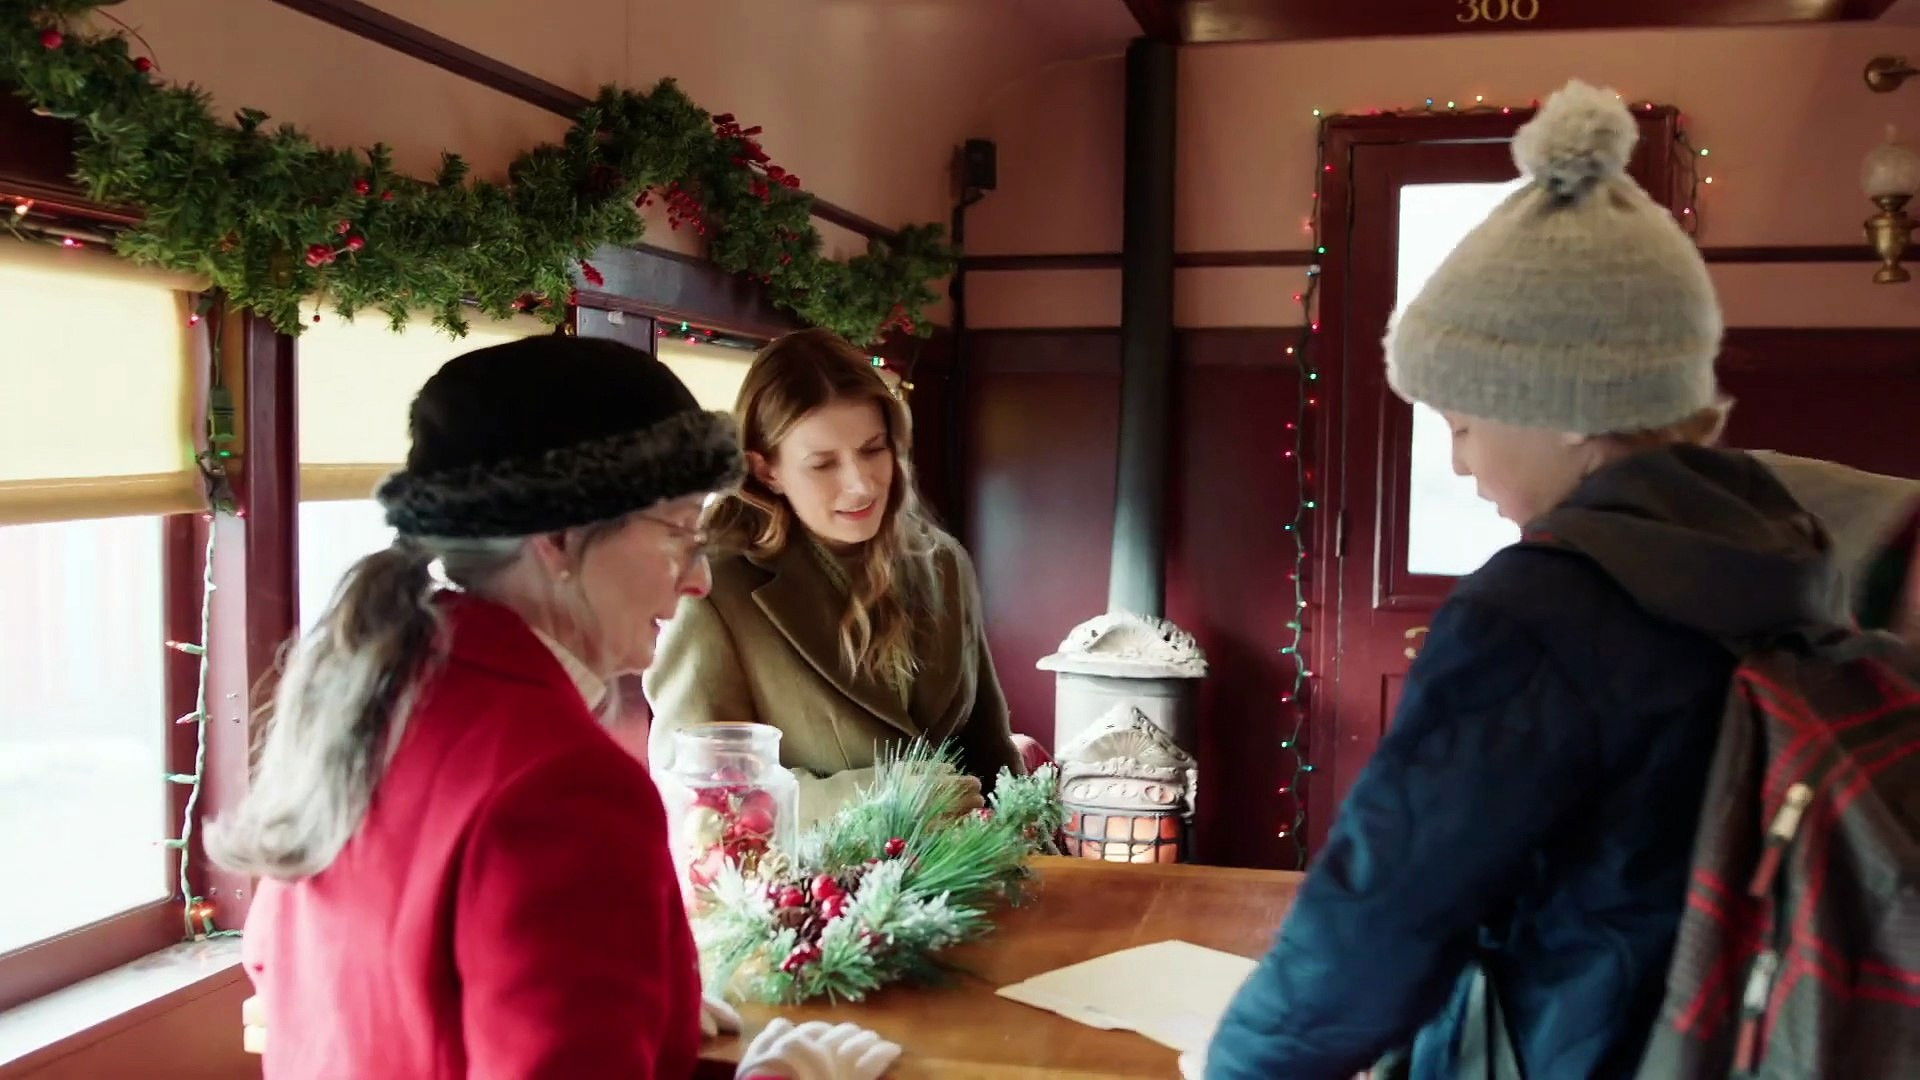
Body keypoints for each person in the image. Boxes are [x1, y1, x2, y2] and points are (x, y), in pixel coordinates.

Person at [1200, 81, 1843, 1079]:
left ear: (1572, 410)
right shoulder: (1783, 544)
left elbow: (1384, 911)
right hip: (1732, 1037)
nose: (1460, 464)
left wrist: (1244, 1065)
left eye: (1462, 424)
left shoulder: (1541, 608)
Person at [207, 336, 897, 1080]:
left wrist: (621, 996)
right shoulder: (566, 786)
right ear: (561, 541)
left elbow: (286, 963)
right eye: (680, 533)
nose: (698, 579)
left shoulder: (377, 693)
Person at [646, 328, 1021, 826]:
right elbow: (700, 794)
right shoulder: (712, 588)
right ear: (766, 470)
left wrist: (1031, 840)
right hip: (803, 877)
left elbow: (989, 749)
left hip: (968, 866)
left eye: (873, 449)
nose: (860, 484)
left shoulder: (944, 562)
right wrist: (879, 796)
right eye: (823, 464)